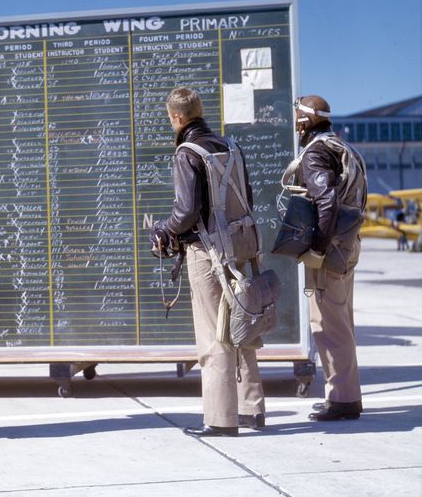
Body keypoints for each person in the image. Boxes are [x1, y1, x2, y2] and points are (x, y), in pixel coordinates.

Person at [150, 87, 265, 437]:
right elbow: (247, 194)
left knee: (214, 335)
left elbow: (185, 212)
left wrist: (163, 229)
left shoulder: (187, 152)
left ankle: (220, 418)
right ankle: (251, 408)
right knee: (243, 325)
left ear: (177, 117)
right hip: (242, 243)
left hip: (209, 252)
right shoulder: (231, 146)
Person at [291, 95, 367, 421]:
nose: (295, 125)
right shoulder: (344, 148)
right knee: (342, 322)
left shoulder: (316, 154)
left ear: (305, 122)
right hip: (349, 245)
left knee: (328, 325)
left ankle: (342, 400)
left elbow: (326, 202)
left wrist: (317, 250)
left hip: (330, 250)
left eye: (297, 119)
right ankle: (346, 394)